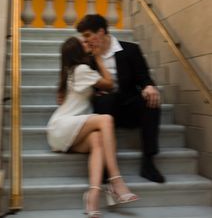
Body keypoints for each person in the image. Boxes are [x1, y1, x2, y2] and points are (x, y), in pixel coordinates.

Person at [47, 37, 138, 218]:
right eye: (83, 43)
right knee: (106, 120)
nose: (87, 43)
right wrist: (97, 59)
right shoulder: (81, 69)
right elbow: (110, 83)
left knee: (97, 139)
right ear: (77, 52)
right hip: (64, 125)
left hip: (65, 133)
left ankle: (93, 196)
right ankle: (116, 180)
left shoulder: (72, 71)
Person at [76, 14, 165, 184]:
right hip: (106, 109)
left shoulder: (130, 50)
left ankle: (149, 162)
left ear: (101, 32)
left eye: (88, 35)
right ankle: (105, 164)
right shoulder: (88, 57)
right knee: (104, 100)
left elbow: (144, 77)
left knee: (151, 100)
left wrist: (149, 86)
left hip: (128, 105)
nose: (86, 41)